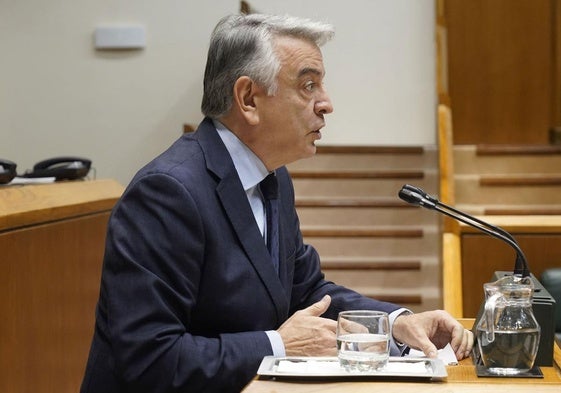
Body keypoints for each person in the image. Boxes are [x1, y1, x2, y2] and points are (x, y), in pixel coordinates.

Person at [81, 13, 473, 393]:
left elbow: (306, 292)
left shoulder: (272, 177)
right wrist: (279, 346)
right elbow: (150, 360)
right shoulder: (167, 193)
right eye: (308, 86)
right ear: (248, 98)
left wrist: (396, 322)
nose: (326, 103)